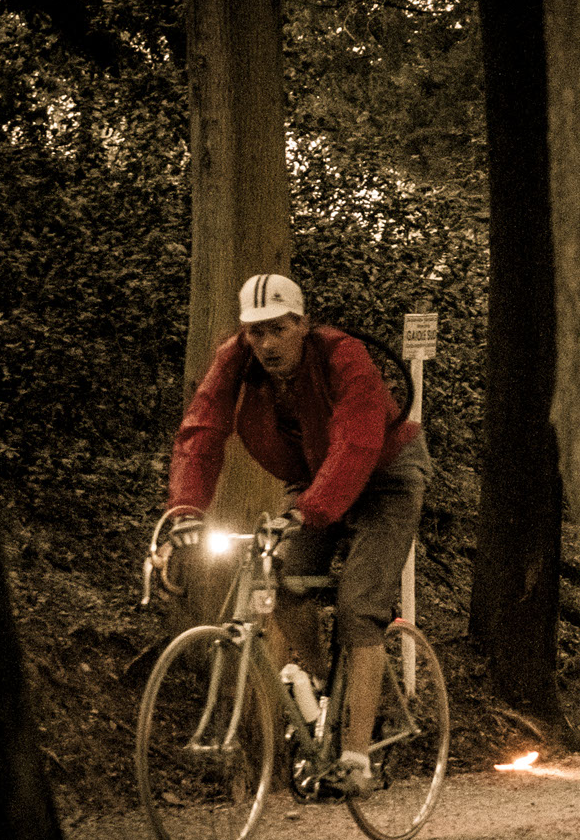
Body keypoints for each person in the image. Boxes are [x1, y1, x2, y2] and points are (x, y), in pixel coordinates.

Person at [165, 274, 431, 797]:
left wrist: (311, 510)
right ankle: (322, 705)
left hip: (386, 475)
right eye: (255, 332)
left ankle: (356, 757)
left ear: (302, 325)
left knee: (360, 604)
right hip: (312, 481)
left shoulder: (344, 356)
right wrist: (185, 510)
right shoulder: (236, 361)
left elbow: (356, 438)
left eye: (278, 330)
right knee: (281, 582)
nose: (265, 344)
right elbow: (202, 430)